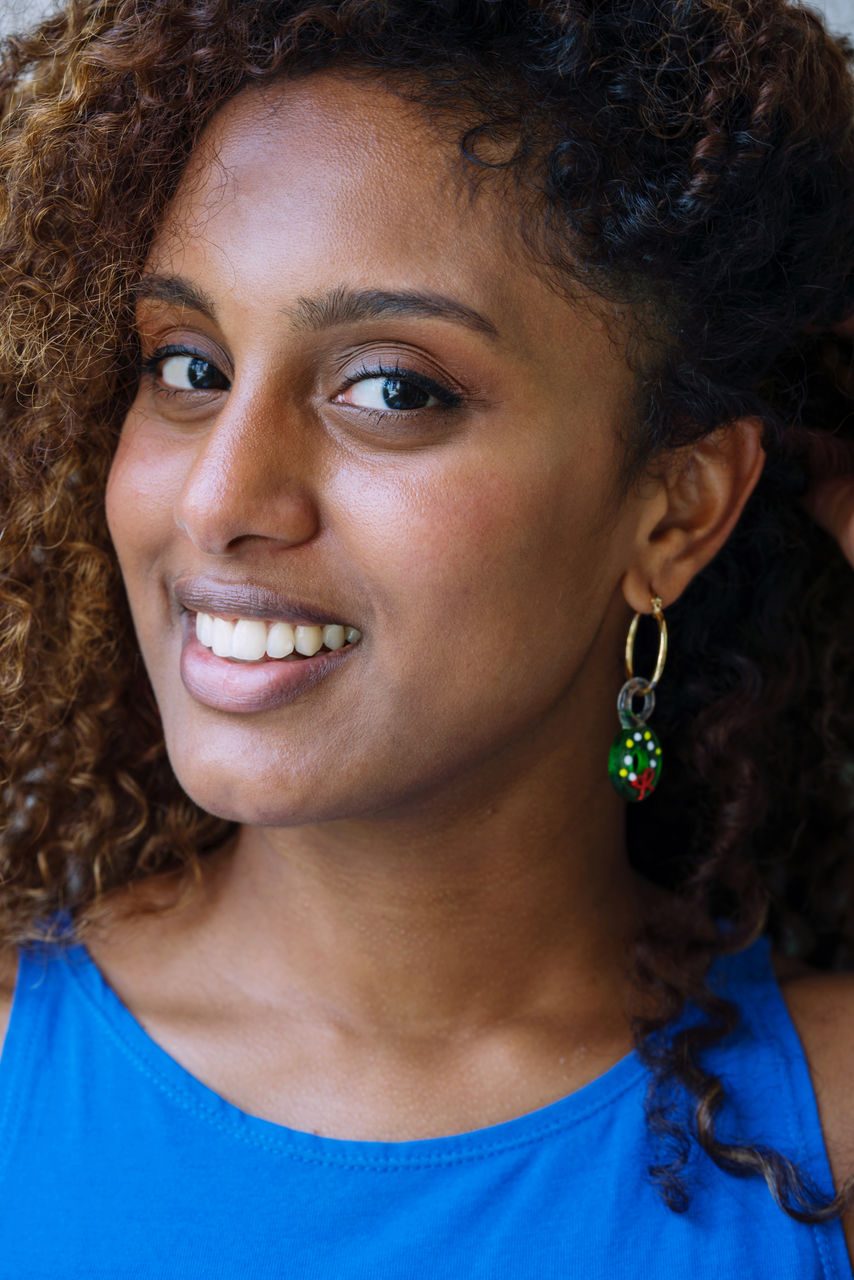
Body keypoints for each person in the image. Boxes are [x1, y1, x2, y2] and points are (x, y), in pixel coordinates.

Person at [0, 0, 853, 1274]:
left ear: (675, 513)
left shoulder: (827, 1138)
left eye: (391, 387)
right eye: (187, 364)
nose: (219, 499)